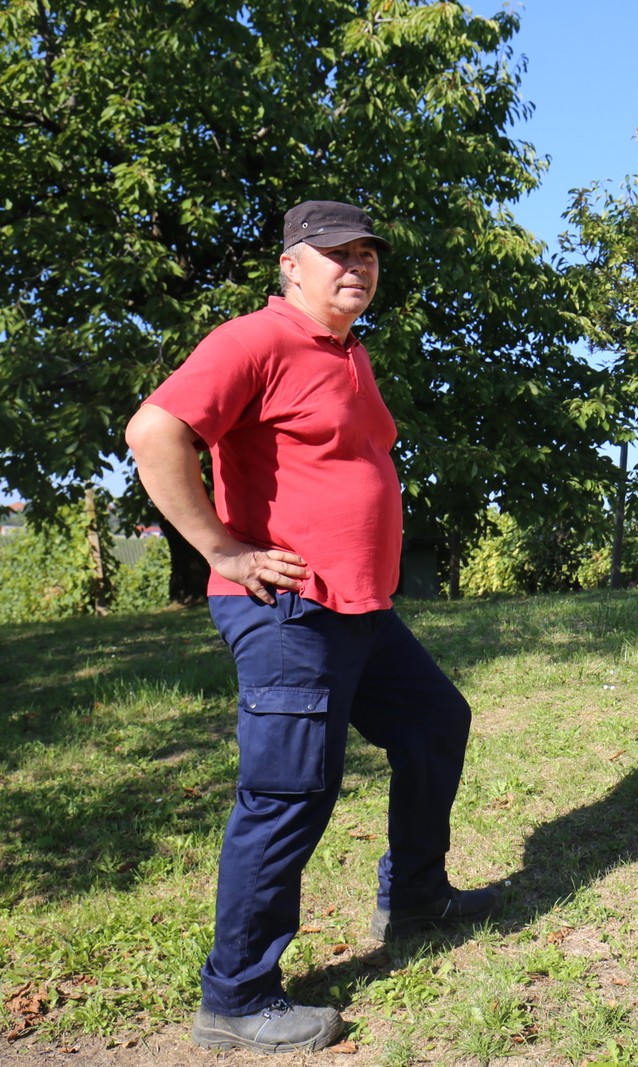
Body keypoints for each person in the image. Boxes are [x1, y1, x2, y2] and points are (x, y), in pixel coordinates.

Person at [124, 201, 499, 1054]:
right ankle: (238, 994)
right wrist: (226, 548)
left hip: (360, 609)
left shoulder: (347, 352)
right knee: (290, 791)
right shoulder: (253, 340)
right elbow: (154, 432)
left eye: (368, 254)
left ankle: (414, 895)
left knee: (436, 722)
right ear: (292, 264)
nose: (356, 267)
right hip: (289, 611)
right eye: (337, 254)